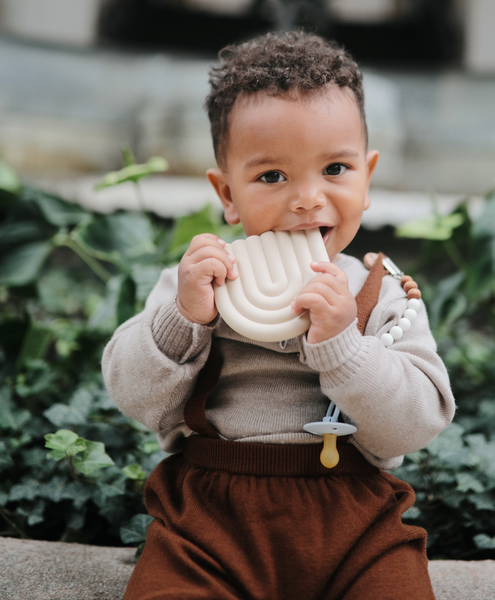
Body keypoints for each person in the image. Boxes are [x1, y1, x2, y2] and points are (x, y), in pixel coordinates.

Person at [103, 30, 455, 600]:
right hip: (210, 522)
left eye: (335, 169)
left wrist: (345, 343)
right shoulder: (197, 284)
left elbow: (417, 422)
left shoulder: (381, 292)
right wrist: (183, 318)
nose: (308, 198)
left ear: (368, 177)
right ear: (227, 193)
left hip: (354, 522)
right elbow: (133, 394)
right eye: (272, 176)